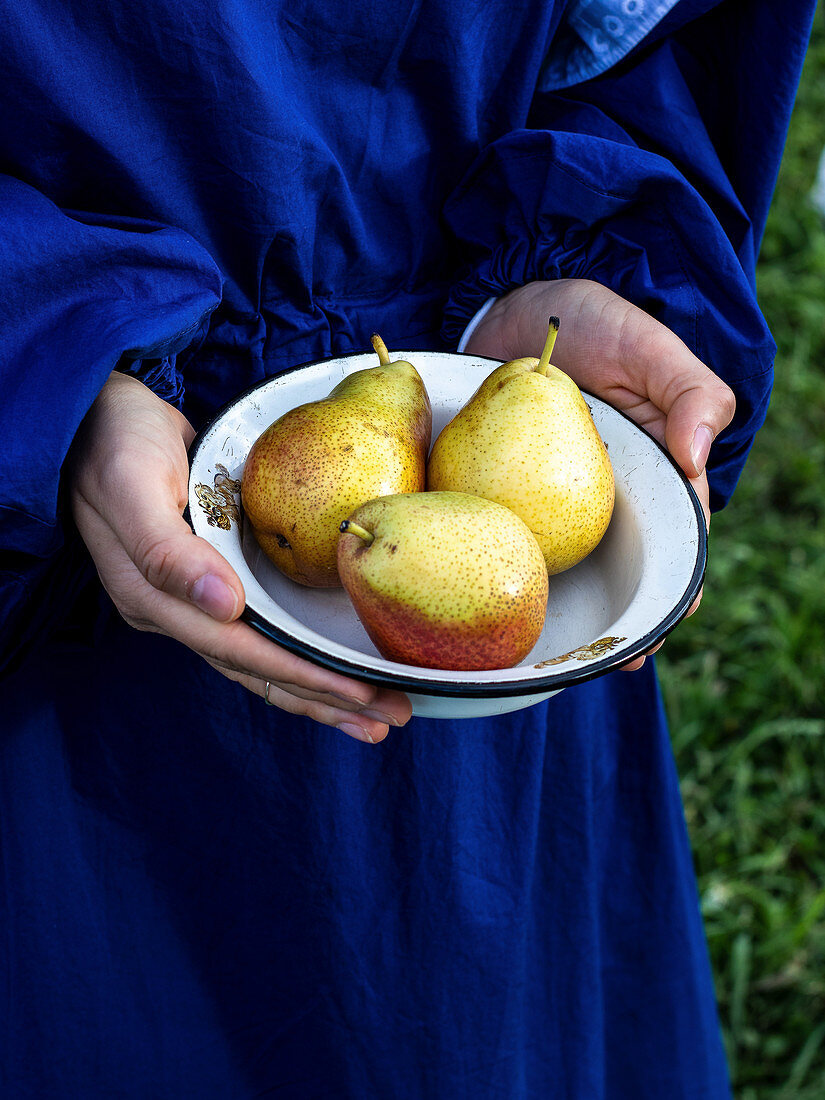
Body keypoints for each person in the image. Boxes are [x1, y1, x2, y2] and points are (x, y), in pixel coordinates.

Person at [0, 0, 816, 1095]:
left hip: (485, 652)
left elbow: (654, 35)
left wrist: (573, 264)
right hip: (79, 630)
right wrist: (57, 361)